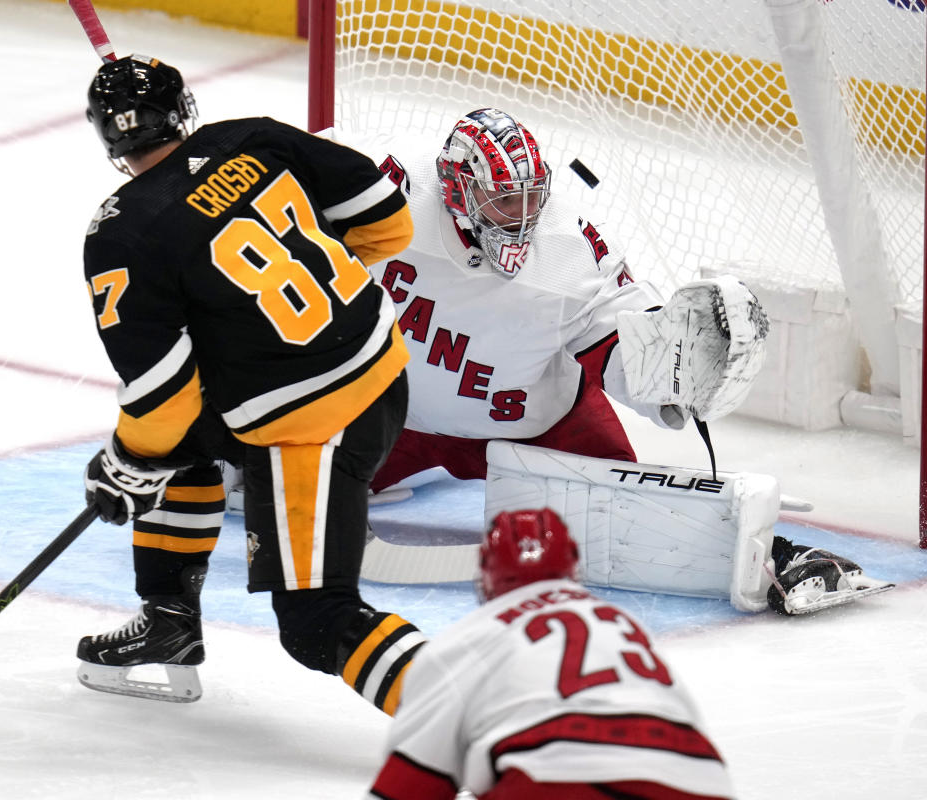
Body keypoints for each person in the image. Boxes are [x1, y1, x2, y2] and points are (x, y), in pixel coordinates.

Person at [354, 107, 891, 615]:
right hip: (394, 415)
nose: (522, 218)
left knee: (639, 510)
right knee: (284, 483)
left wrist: (680, 367)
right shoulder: (383, 194)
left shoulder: (571, 252)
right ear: (457, 191)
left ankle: (780, 557)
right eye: (503, 202)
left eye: (531, 198)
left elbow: (634, 354)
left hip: (531, 426)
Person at [73, 54, 425, 712]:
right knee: (182, 447)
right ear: (183, 112)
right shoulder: (254, 136)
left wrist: (124, 463)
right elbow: (389, 225)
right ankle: (169, 623)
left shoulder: (121, 231)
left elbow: (160, 395)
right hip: (381, 369)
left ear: (110, 139)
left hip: (314, 425)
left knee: (319, 622)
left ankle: (481, 715)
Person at [367, 508, 735, 800]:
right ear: (572, 565)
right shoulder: (624, 624)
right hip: (700, 780)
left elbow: (409, 785)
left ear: (486, 571)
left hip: (553, 776)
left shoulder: (467, 639)